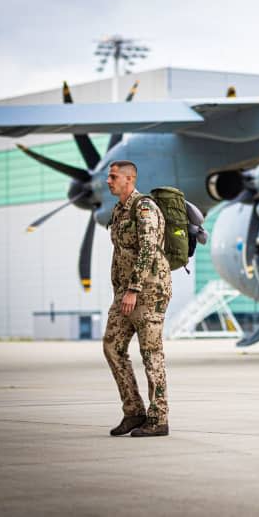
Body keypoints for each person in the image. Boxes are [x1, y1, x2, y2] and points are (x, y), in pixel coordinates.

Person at [103, 160, 172, 437]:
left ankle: (158, 419)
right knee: (112, 346)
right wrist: (122, 289)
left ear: (129, 179)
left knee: (151, 353)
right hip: (125, 292)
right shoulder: (119, 210)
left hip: (149, 292)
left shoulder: (144, 207)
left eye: (113, 176)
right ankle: (133, 411)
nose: (108, 180)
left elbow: (148, 249)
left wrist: (133, 288)